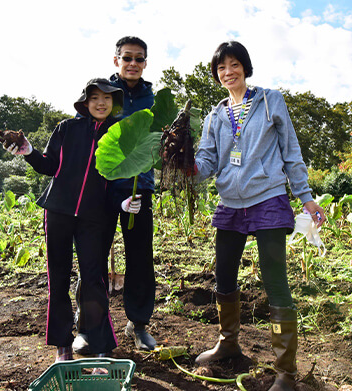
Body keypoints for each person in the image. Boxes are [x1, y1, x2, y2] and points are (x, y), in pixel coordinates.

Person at [191, 41, 325, 391]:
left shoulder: (269, 101)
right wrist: (183, 165)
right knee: (223, 275)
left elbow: (290, 150)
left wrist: (306, 199)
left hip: (268, 199)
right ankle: (228, 342)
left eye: (234, 65)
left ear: (245, 67)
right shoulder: (215, 116)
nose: (228, 72)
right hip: (231, 203)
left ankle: (285, 371)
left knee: (275, 281)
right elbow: (206, 162)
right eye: (221, 68)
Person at [5, 78, 124, 361]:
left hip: (95, 217)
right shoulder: (66, 128)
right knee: (58, 278)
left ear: (113, 103)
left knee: (94, 279)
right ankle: (62, 344)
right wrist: (28, 152)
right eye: (95, 97)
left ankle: (98, 345)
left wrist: (123, 202)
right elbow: (49, 166)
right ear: (85, 102)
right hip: (58, 211)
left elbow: (121, 176)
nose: (100, 103)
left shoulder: (118, 135)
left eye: (107, 98)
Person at [75, 35, 159, 355]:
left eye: (139, 59)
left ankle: (138, 324)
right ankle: (88, 326)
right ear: (116, 61)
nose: (133, 64)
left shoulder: (153, 98)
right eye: (127, 58)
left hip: (139, 187)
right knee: (93, 257)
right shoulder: (103, 93)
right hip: (103, 187)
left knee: (139, 257)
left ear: (145, 64)